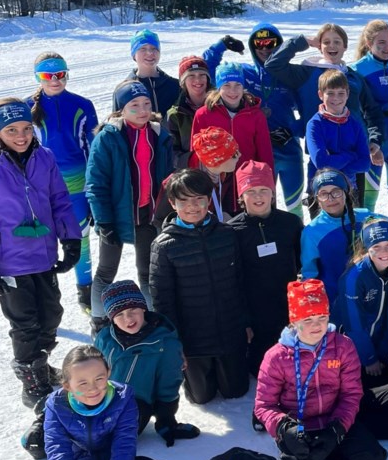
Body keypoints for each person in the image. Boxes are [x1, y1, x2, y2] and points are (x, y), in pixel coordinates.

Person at [200, 279, 387, 460]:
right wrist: (283, 429)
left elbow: (351, 394)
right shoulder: (277, 356)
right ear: (294, 321)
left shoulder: (343, 346)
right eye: (308, 319)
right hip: (297, 429)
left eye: (322, 318)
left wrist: (336, 429)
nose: (317, 326)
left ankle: (323, 451)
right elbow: (264, 405)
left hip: (333, 423)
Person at [26, 345, 171, 460]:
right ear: (67, 385)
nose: (93, 388)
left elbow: (124, 448)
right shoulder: (56, 405)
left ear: (108, 373)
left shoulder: (124, 398)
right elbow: (58, 453)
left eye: (99, 378)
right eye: (83, 383)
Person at [0, 98, 81, 406]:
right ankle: (31, 380)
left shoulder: (44, 157)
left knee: (51, 316)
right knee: (25, 323)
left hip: (43, 255)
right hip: (10, 263)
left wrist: (71, 239)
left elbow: (59, 199)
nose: (21, 136)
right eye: (11, 130)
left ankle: (39, 362)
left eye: (26, 129)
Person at [149, 168, 251, 404]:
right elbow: (163, 300)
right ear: (173, 204)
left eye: (199, 199)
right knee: (201, 397)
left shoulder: (226, 234)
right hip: (194, 339)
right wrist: (175, 343)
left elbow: (240, 282)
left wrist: (245, 323)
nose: (193, 207)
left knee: (235, 391)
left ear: (209, 200)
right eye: (184, 201)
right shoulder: (164, 246)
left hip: (229, 331)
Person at [86, 81, 173, 332]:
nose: (142, 110)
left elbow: (167, 176)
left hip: (148, 214)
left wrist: (165, 211)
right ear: (120, 109)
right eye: (134, 105)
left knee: (147, 271)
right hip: (115, 215)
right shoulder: (108, 137)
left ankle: (148, 317)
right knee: (106, 271)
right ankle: (100, 320)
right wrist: (104, 222)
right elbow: (96, 184)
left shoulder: (158, 133)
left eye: (146, 104)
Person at [264, 23, 384, 204]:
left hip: (354, 159)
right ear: (319, 46)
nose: (332, 46)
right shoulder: (306, 72)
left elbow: (372, 111)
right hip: (322, 157)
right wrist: (302, 41)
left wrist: (374, 139)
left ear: (345, 46)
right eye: (326, 42)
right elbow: (273, 65)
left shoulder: (353, 77)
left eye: (337, 42)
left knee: (353, 215)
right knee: (321, 216)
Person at [204, 25, 305, 216]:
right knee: (262, 208)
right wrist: (221, 45)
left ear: (280, 45)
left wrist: (292, 130)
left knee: (295, 207)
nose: (265, 48)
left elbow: (311, 111)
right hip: (258, 155)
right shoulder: (244, 73)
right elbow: (207, 70)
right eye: (259, 43)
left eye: (271, 43)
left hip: (288, 150)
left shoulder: (290, 76)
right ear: (252, 46)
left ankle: (296, 244)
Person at [27, 52, 98, 313]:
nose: (55, 80)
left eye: (60, 74)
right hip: (42, 186)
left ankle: (86, 291)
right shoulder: (27, 107)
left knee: (80, 238)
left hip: (78, 184)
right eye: (48, 75)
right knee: (42, 240)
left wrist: (94, 191)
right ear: (38, 77)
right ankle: (45, 294)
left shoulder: (82, 105)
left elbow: (93, 151)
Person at [93, 280, 200, 444]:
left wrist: (166, 419)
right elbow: (93, 368)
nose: (128, 318)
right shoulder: (105, 337)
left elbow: (169, 380)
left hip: (137, 404)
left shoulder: (165, 343)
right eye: (119, 314)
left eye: (133, 309)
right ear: (111, 319)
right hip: (103, 397)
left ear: (143, 307)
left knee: (114, 438)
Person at [229, 160, 303, 377]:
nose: (258, 197)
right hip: (255, 310)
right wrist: (243, 320)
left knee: (293, 366)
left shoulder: (290, 223)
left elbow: (301, 262)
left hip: (287, 305)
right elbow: (232, 277)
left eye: (264, 190)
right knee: (262, 370)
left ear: (272, 193)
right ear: (241, 196)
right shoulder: (233, 230)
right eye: (251, 191)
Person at [336, 216, 388, 389]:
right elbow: (353, 323)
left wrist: (381, 354)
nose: (384, 252)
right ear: (367, 249)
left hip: (381, 348)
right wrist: (369, 358)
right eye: (376, 247)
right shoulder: (354, 277)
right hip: (352, 349)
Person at [354, 20, 388, 232]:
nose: (387, 47)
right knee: (370, 195)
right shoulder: (358, 69)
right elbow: (358, 113)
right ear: (369, 42)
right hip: (376, 138)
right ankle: (367, 238)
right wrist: (371, 143)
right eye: (381, 42)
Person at [300, 168, 369, 305]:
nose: (331, 199)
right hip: (335, 301)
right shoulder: (312, 232)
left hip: (368, 296)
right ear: (317, 199)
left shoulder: (366, 217)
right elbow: (309, 274)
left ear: (346, 192)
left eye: (336, 192)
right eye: (324, 194)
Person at [191, 62, 274, 172]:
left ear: (243, 86)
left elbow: (265, 153)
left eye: (237, 85)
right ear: (219, 88)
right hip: (217, 180)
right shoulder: (203, 115)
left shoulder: (255, 115)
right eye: (226, 85)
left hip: (247, 180)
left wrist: (268, 182)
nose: (233, 91)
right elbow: (196, 152)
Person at [304, 69, 372, 190]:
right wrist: (350, 156)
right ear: (320, 95)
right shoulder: (315, 124)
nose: (336, 98)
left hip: (348, 189)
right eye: (330, 93)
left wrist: (336, 163)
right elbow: (321, 163)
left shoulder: (354, 123)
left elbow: (365, 163)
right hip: (321, 190)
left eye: (341, 93)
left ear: (347, 94)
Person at [167, 55, 213, 170]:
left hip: (222, 171)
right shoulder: (175, 114)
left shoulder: (219, 105)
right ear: (183, 82)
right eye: (191, 76)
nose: (197, 80)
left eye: (202, 75)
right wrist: (191, 160)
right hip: (192, 175)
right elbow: (170, 151)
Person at [121, 29, 179, 119]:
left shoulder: (175, 86)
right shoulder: (125, 90)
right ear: (133, 54)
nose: (149, 53)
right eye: (143, 49)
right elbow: (116, 125)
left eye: (154, 48)